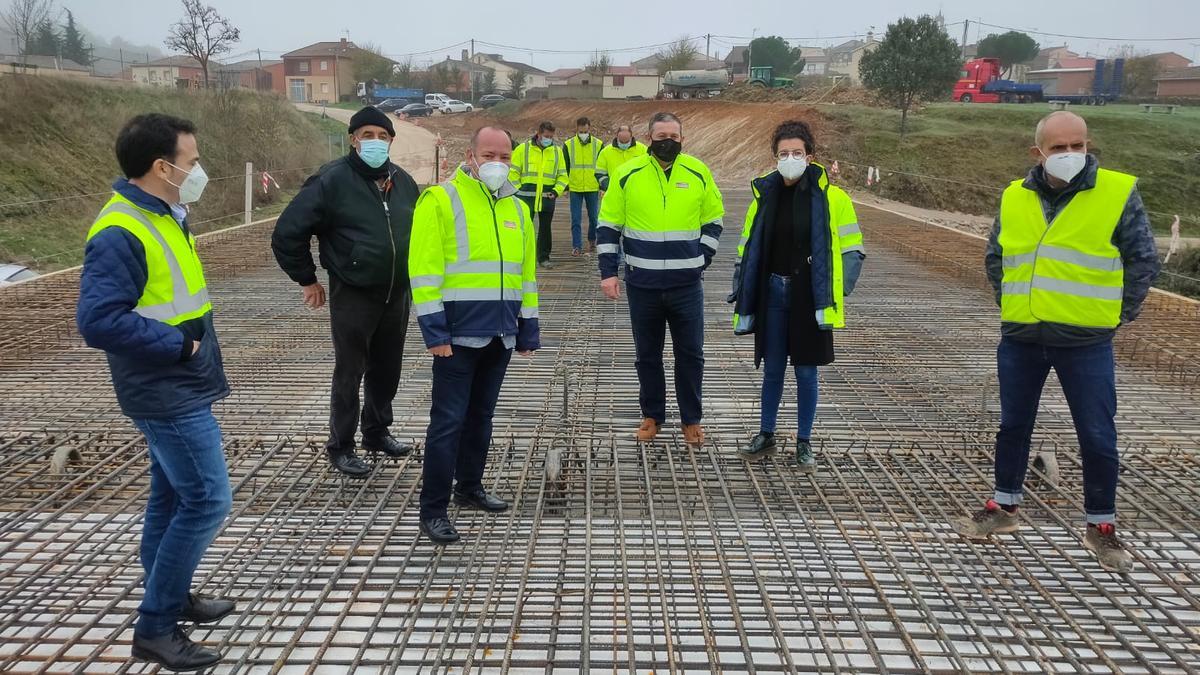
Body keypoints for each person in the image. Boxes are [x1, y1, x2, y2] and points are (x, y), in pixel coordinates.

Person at [957, 111, 1160, 573]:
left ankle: (1101, 526)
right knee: (1013, 426)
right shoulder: (1014, 196)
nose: (1070, 154)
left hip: (1085, 339)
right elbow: (997, 255)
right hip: (1023, 336)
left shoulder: (1116, 192)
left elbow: (1142, 259)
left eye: (1078, 145)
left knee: (1097, 434)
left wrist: (1115, 316)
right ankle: (1004, 508)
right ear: (1038, 153)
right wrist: (1009, 304)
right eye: (1059, 147)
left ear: (1088, 146)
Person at [76, 113, 235, 671]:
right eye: (190, 163)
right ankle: (156, 626)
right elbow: (98, 320)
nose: (197, 172)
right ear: (160, 166)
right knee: (209, 500)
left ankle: (173, 594)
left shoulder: (164, 212)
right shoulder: (121, 229)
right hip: (164, 386)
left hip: (178, 381)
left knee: (171, 498)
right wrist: (179, 348)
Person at [272, 106, 420, 477]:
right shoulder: (331, 181)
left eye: (382, 136)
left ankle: (376, 431)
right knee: (350, 371)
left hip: (397, 291)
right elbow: (288, 232)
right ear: (352, 139)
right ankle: (341, 444)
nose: (374, 141)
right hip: (354, 291)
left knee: (387, 367)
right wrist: (307, 279)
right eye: (366, 135)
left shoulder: (403, 182)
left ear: (391, 141)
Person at [409, 126, 541, 544]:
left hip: (500, 333)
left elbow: (527, 276)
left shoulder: (517, 209)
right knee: (447, 423)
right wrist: (434, 332)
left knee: (481, 418)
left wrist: (527, 329)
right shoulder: (440, 199)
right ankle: (433, 510)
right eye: (489, 155)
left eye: (504, 157)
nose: (497, 164)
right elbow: (424, 271)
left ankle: (469, 487)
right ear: (470, 155)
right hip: (457, 334)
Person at [730, 120, 866, 470]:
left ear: (811, 156)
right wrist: (741, 283)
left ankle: (804, 442)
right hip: (773, 292)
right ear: (775, 157)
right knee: (772, 369)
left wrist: (838, 289)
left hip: (811, 295)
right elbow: (747, 247)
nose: (790, 158)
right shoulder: (764, 196)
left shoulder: (833, 199)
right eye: (783, 153)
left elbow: (853, 250)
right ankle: (766, 434)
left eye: (797, 152)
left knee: (807, 372)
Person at [597, 112, 724, 447]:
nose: (668, 140)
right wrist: (608, 272)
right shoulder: (627, 174)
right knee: (647, 355)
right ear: (648, 137)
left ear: (683, 137)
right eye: (661, 134)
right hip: (643, 286)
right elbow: (608, 226)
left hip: (686, 287)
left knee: (691, 354)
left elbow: (714, 221)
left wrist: (701, 260)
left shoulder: (698, 172)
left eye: (674, 135)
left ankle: (691, 420)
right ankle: (652, 415)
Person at [510, 121, 567, 268]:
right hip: (524, 197)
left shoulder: (557, 151)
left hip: (547, 198)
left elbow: (562, 176)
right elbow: (513, 172)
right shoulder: (523, 149)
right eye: (546, 136)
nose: (549, 139)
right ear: (539, 134)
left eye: (551, 136)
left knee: (545, 229)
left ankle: (543, 258)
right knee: (523, 228)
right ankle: (520, 257)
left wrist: (556, 191)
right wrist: (517, 190)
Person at [562, 116, 605, 255]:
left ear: (589, 128)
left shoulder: (598, 145)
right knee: (575, 219)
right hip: (575, 187)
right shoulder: (568, 145)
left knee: (594, 218)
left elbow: (602, 166)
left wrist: (602, 185)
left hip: (592, 187)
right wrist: (565, 187)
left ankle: (592, 239)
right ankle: (577, 246)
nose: (583, 134)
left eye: (585, 131)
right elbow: (565, 167)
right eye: (581, 131)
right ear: (577, 129)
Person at [595, 124, 647, 195]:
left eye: (626, 142)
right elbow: (600, 173)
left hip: (637, 192)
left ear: (631, 137)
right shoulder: (606, 152)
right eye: (622, 142)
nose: (624, 144)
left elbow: (649, 171)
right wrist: (608, 186)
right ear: (616, 137)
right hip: (615, 193)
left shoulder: (643, 150)